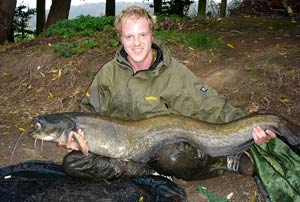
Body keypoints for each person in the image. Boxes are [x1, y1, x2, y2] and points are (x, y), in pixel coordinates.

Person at [58, 6, 276, 181]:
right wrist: (76, 137)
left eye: (142, 34)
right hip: (123, 151)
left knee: (174, 157)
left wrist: (247, 125)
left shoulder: (174, 72)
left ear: (152, 34)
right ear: (120, 38)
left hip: (162, 149)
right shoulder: (107, 73)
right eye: (129, 36)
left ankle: (223, 161)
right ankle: (152, 175)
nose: (136, 43)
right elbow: (87, 113)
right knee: (73, 164)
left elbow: (210, 104)